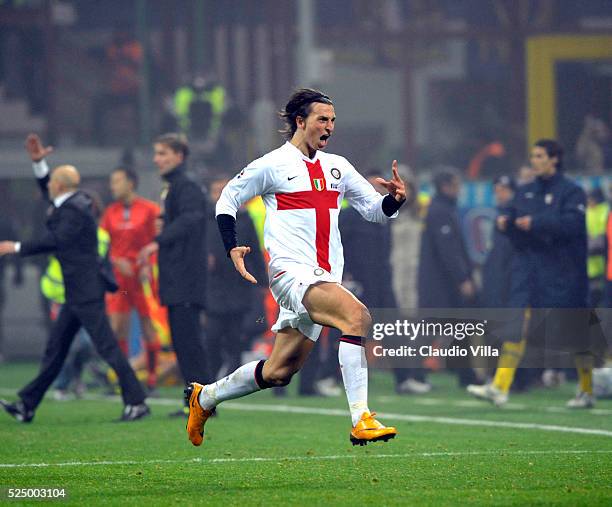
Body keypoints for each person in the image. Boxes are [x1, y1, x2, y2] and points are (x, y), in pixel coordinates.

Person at [184, 88, 406, 447]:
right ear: (300, 122)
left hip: (323, 277)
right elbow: (228, 199)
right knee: (358, 317)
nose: (330, 126)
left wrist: (393, 201)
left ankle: (204, 397)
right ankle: (361, 419)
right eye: (322, 119)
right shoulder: (272, 165)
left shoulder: (338, 166)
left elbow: (373, 212)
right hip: (291, 273)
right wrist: (231, 247)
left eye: (333, 120)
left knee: (278, 372)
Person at [0, 134, 149, 422]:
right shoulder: (72, 202)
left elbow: (57, 239)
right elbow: (49, 194)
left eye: (51, 182)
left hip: (85, 292)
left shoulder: (75, 209)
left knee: (105, 347)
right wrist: (39, 163)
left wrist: (15, 247)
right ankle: (27, 405)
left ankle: (137, 402)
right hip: (79, 292)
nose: (48, 189)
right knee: (56, 349)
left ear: (60, 186)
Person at [467, 139, 599, 408]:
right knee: (518, 325)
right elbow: (511, 218)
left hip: (564, 273)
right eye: (533, 156)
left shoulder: (571, 191)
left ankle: (586, 389)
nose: (535, 160)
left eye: (540, 156)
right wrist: (506, 224)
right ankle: (500, 387)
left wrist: (536, 223)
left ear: (554, 159)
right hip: (530, 271)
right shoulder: (526, 192)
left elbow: (573, 225)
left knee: (575, 330)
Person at [138, 133, 208, 415]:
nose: (157, 159)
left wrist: (160, 238)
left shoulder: (186, 185)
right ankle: (199, 404)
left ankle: (200, 405)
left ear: (179, 156)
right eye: (156, 153)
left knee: (189, 344)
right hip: (178, 279)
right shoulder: (176, 186)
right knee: (185, 343)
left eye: (163, 153)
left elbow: (192, 218)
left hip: (185, 279)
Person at [100, 167, 161, 392]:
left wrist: (147, 264)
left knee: (149, 327)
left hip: (143, 277)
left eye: (117, 181)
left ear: (130, 183)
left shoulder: (150, 210)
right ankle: (122, 379)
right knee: (117, 330)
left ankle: (152, 379)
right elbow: (102, 246)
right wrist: (116, 262)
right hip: (119, 279)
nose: (112, 186)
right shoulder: (110, 213)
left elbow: (161, 240)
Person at [417, 167, 478, 386]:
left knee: (456, 327)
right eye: (456, 185)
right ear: (446, 187)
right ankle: (414, 374)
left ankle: (464, 374)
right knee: (436, 329)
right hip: (441, 284)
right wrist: (462, 278)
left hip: (443, 282)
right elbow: (448, 251)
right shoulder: (440, 211)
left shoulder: (442, 209)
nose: (459, 189)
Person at [205, 176, 266, 379]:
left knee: (236, 340)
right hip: (213, 288)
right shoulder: (206, 218)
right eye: (216, 191)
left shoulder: (244, 218)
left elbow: (255, 252)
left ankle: (232, 382)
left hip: (239, 287)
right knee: (212, 337)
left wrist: (261, 282)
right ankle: (211, 377)